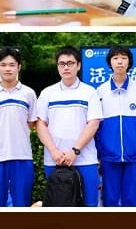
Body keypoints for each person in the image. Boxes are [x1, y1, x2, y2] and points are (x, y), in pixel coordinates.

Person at [35, 45, 102, 206]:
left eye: (70, 63)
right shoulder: (47, 93)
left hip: (85, 159)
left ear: (78, 65)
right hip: (55, 160)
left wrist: (75, 151)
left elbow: (93, 124)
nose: (66, 67)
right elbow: (40, 124)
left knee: (89, 204)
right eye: (62, 63)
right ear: (57, 67)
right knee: (59, 205)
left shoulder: (89, 92)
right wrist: (53, 151)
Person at [0, 47, 38, 207]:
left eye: (12, 64)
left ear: (19, 67)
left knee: (22, 203)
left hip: (22, 156)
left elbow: (32, 123)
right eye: (3, 64)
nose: (7, 68)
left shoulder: (29, 94)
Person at [95, 45, 136, 207]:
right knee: (110, 199)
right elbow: (95, 125)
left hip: (133, 155)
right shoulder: (100, 92)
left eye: (123, 58)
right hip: (109, 155)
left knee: (130, 199)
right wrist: (98, 154)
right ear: (110, 62)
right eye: (115, 58)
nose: (119, 62)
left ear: (129, 62)